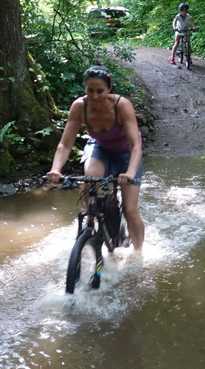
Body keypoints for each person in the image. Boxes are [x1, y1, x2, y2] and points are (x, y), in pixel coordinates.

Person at [47, 66, 145, 251]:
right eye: (90, 90)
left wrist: (130, 172)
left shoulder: (121, 105)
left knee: (130, 209)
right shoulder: (79, 107)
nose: (95, 96)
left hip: (127, 154)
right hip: (100, 148)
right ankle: (91, 223)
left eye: (100, 91)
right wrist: (56, 169)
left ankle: (138, 253)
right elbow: (65, 144)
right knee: (90, 181)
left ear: (110, 89)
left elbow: (136, 146)